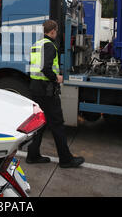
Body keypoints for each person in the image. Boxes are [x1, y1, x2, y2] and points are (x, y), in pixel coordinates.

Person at [27, 20, 85, 168]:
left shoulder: (36, 45)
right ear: (52, 31)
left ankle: (32, 155)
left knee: (39, 123)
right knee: (57, 124)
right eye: (56, 31)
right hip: (47, 90)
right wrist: (56, 78)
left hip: (35, 88)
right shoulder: (49, 46)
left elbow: (32, 67)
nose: (57, 33)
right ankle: (66, 160)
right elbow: (45, 68)